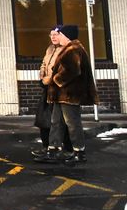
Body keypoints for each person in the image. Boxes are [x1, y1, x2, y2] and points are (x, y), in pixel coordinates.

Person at [41, 24, 97, 166]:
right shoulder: (69, 49)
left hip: (69, 94)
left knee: (72, 123)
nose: (57, 36)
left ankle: (79, 152)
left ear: (66, 36)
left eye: (60, 34)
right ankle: (53, 149)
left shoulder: (73, 49)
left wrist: (55, 79)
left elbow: (72, 70)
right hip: (62, 95)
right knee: (56, 121)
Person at [31, 26, 72, 161]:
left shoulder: (65, 49)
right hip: (48, 87)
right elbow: (44, 63)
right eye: (51, 35)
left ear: (62, 35)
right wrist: (42, 73)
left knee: (60, 119)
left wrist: (48, 80)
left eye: (56, 34)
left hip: (59, 88)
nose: (53, 37)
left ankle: (67, 148)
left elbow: (62, 70)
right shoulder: (50, 49)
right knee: (43, 117)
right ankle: (47, 147)